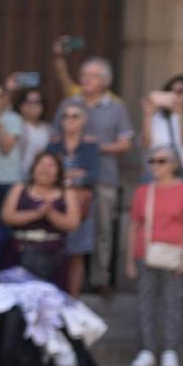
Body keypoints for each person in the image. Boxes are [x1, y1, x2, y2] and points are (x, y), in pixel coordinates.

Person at [54, 52, 134, 289]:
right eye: (84, 75)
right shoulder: (69, 104)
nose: (86, 80)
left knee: (102, 229)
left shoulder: (117, 108)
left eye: (92, 76)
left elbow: (126, 143)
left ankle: (100, 278)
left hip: (104, 177)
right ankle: (64, 279)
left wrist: (96, 147)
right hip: (70, 177)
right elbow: (54, 135)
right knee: (67, 227)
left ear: (105, 81)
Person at [126, 145, 183, 366]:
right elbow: (134, 226)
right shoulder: (143, 191)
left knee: (172, 302)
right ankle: (146, 349)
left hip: (174, 252)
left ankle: (170, 350)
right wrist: (129, 259)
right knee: (145, 302)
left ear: (174, 165)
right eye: (152, 161)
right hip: (145, 252)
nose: (156, 166)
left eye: (162, 161)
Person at [46, 99, 104, 296]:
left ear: (83, 120)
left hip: (81, 205)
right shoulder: (53, 145)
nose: (69, 120)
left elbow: (92, 175)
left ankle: (73, 300)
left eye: (74, 116)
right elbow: (47, 174)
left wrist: (65, 176)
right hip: (55, 203)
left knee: (76, 255)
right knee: (54, 252)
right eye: (65, 116)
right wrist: (74, 174)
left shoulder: (90, 147)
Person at [1, 150, 84, 284]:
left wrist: (51, 213)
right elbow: (7, 217)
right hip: (19, 250)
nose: (45, 169)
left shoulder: (67, 192)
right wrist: (36, 214)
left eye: (51, 165)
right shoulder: (20, 188)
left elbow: (73, 224)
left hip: (53, 254)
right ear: (33, 169)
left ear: (58, 172)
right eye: (41, 164)